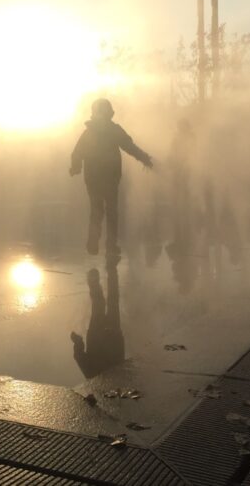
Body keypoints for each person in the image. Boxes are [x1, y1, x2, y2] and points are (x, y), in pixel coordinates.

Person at [70, 98, 153, 257]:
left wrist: (76, 167)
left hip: (93, 177)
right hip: (110, 177)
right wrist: (144, 158)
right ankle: (110, 245)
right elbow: (129, 147)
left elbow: (77, 153)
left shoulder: (89, 132)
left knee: (96, 210)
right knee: (112, 211)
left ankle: (93, 243)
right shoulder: (114, 130)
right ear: (109, 113)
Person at [70, 264, 124, 379]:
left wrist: (78, 342)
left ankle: (111, 270)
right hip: (102, 336)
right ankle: (99, 279)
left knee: (111, 301)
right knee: (103, 304)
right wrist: (77, 342)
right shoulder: (93, 378)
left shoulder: (99, 379)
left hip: (110, 336)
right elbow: (79, 357)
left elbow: (79, 357)